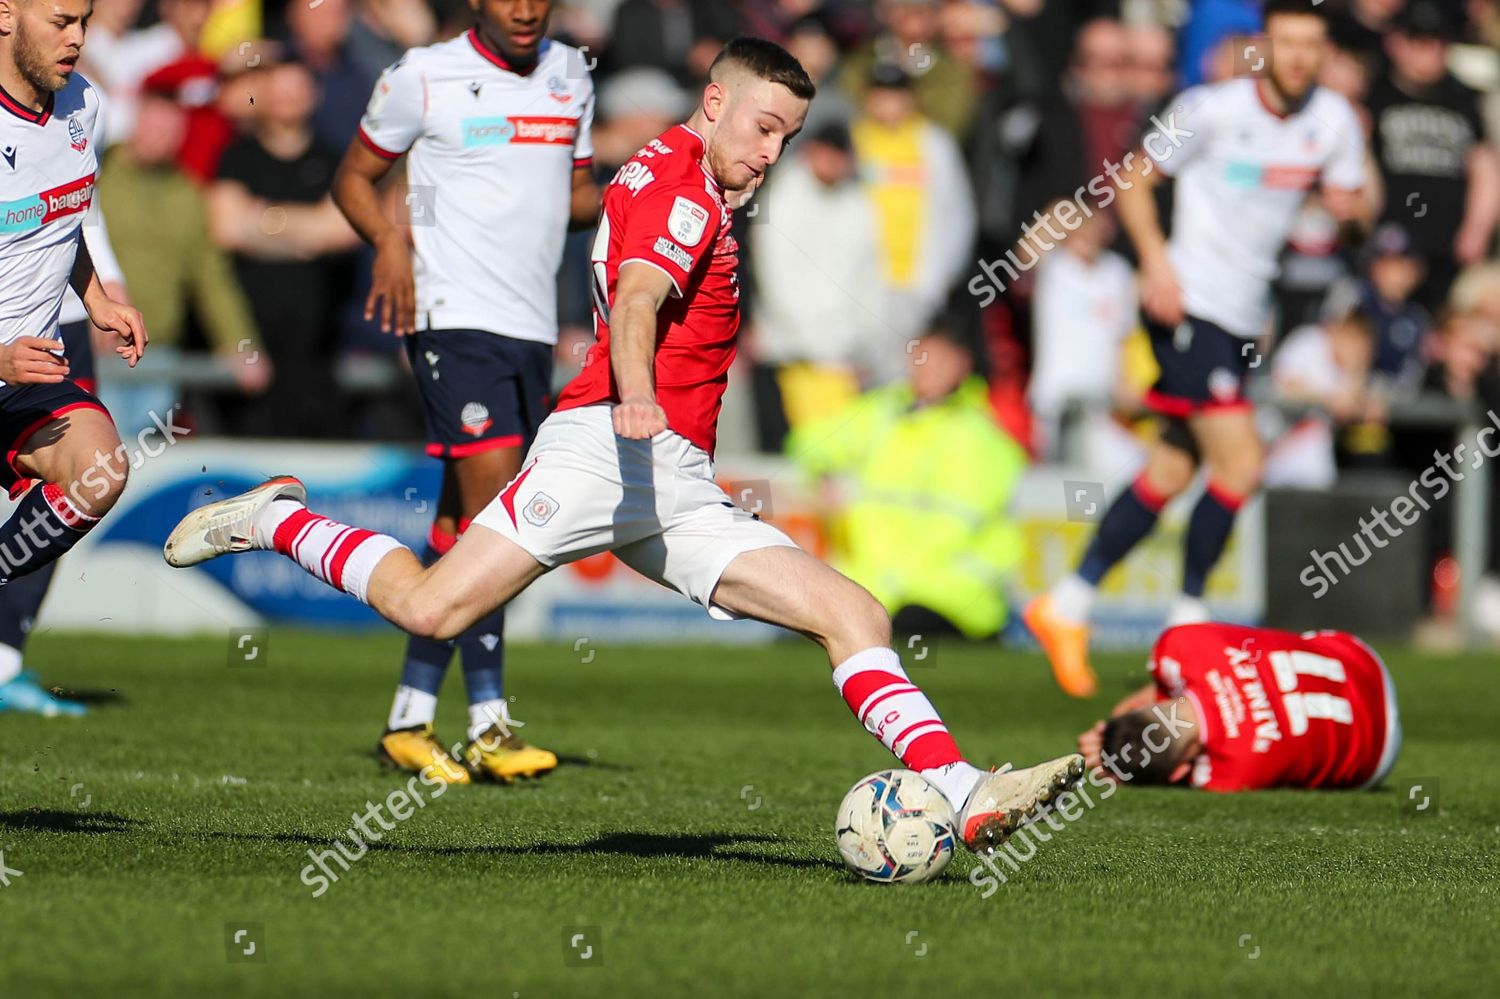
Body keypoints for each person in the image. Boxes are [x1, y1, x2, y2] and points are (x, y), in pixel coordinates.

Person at [164, 37, 1084, 855]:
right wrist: (638, 395)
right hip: (604, 452)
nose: (772, 152)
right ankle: (278, 518)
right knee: (434, 609)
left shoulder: (671, 169)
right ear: (715, 102)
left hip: (670, 477)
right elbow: (640, 295)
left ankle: (964, 793)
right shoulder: (683, 188)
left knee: (855, 614)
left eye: (787, 138)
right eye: (764, 127)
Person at [1025, 0, 1368, 699]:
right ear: (1263, 46)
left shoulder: (1334, 122)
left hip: (1243, 317)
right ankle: (1188, 623)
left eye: (1311, 45)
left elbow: (1355, 211)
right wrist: (1155, 264)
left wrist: (1349, 212)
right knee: (1241, 462)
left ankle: (1066, 604)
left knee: (1173, 467)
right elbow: (1133, 181)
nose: (1298, 56)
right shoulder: (1210, 107)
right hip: (1188, 303)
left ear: (1324, 53)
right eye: (1286, 42)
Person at [332, 0, 599, 784]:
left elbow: (573, 195)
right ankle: (487, 723)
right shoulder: (424, 75)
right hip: (452, 320)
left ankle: (410, 716)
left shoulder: (570, 74)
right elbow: (352, 177)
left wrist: (653, 182)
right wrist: (390, 241)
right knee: (501, 519)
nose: (524, 9)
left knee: (460, 524)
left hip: (528, 327)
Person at [0, 0, 148, 712]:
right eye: (60, 19)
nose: (78, 38)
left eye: (85, 19)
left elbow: (65, 215)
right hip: (5, 363)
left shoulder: (85, 103)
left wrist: (96, 298)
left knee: (100, 470)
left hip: (30, 375)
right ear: (6, 14)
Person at [786, 322, 1028, 641]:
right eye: (921, 358)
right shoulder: (882, 411)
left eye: (939, 360)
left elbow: (951, 528)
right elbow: (810, 442)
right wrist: (823, 472)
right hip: (881, 589)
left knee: (886, 638)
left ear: (962, 365)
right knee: (800, 635)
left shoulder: (979, 434)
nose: (928, 370)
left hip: (951, 597)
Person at [1078, 623, 1400, 792]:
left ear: (1179, 772)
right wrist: (1121, 730)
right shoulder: (1179, 645)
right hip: (1362, 661)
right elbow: (1154, 696)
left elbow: (1189, 768)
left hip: (1376, 756)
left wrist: (1125, 762)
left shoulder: (1229, 772)